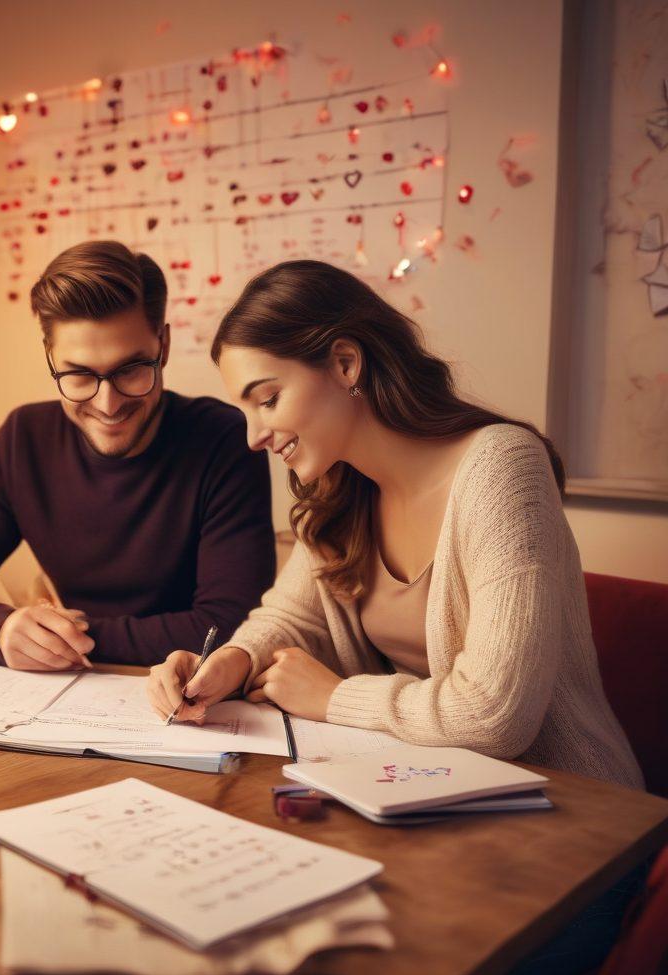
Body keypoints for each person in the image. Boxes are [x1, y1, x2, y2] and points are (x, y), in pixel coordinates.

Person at [148, 260, 642, 789]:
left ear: (344, 364)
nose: (254, 437)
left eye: (267, 400)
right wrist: (232, 662)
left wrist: (334, 697)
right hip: (429, 788)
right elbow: (292, 619)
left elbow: (496, 716)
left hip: (570, 804)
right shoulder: (341, 488)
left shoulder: (503, 467)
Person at [0, 241, 275, 669]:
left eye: (131, 370)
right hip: (70, 695)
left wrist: (61, 639)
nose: (108, 404)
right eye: (79, 375)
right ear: (50, 358)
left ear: (164, 345)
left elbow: (230, 627)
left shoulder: (223, 438)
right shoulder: (23, 439)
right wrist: (2, 630)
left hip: (190, 698)